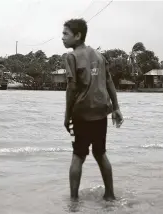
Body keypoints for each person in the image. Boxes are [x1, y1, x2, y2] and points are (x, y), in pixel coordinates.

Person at [61, 18, 124, 201]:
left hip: (82, 113)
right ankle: (110, 195)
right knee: (100, 153)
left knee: (78, 155)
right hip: (101, 113)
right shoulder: (99, 55)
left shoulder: (71, 57)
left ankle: (73, 200)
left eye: (66, 34)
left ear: (78, 35)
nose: (62, 38)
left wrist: (67, 116)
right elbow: (109, 81)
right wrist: (116, 108)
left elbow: (71, 88)